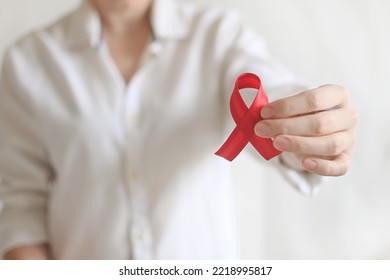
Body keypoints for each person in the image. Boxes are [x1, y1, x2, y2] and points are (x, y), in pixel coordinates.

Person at [0, 0, 357, 259]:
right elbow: (21, 203)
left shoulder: (218, 37)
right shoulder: (27, 62)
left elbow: (266, 94)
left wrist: (310, 128)